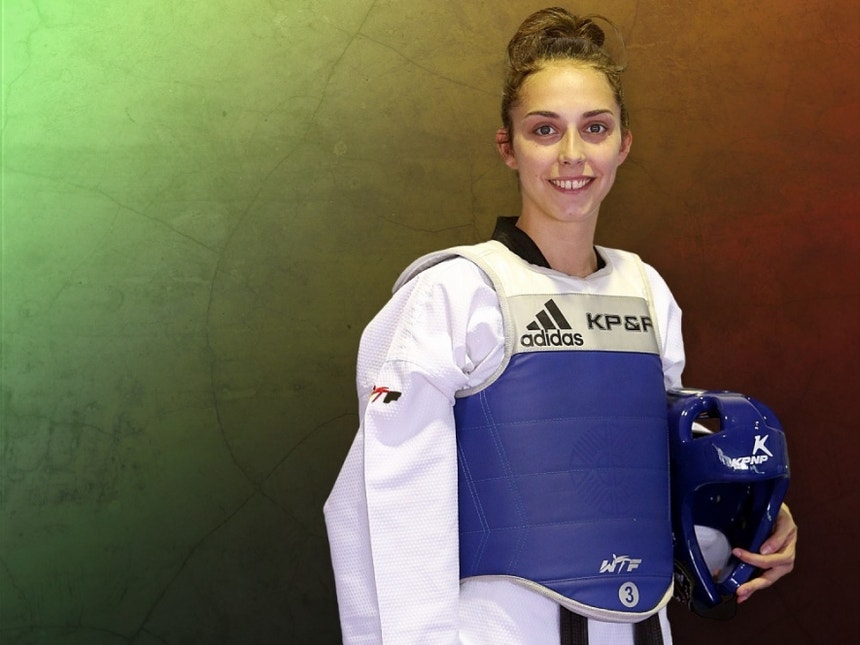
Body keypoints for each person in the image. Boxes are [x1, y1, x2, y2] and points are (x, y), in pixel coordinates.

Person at [324, 7, 797, 644]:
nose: (572, 154)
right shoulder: (455, 294)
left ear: (623, 144)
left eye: (595, 128)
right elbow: (386, 503)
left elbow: (642, 471)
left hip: (638, 628)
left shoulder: (645, 292)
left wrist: (750, 518)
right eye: (544, 129)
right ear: (508, 147)